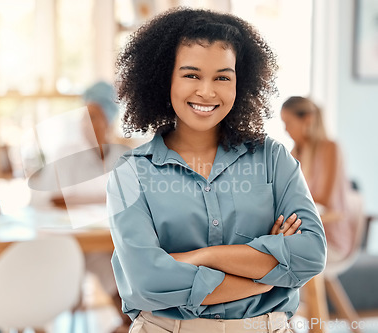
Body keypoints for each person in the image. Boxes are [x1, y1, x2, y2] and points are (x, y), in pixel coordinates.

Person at [106, 8, 327, 333]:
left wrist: (200, 256)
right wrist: (265, 277)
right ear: (163, 77)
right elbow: (147, 281)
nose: (207, 92)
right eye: (191, 75)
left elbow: (310, 254)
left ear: (241, 81)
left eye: (222, 77)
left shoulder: (272, 158)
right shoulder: (130, 173)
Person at [29, 81, 132, 332]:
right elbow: (47, 199)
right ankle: (128, 323)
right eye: (84, 115)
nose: (86, 121)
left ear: (109, 118)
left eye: (94, 115)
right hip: (68, 244)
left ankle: (128, 325)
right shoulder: (67, 151)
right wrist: (100, 200)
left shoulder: (123, 155)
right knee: (111, 264)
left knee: (128, 265)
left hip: (105, 241)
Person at [281, 96, 357, 262]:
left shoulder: (330, 148)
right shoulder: (295, 153)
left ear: (307, 119)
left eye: (289, 123)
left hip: (331, 235)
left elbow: (323, 200)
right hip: (305, 229)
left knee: (292, 255)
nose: (286, 130)